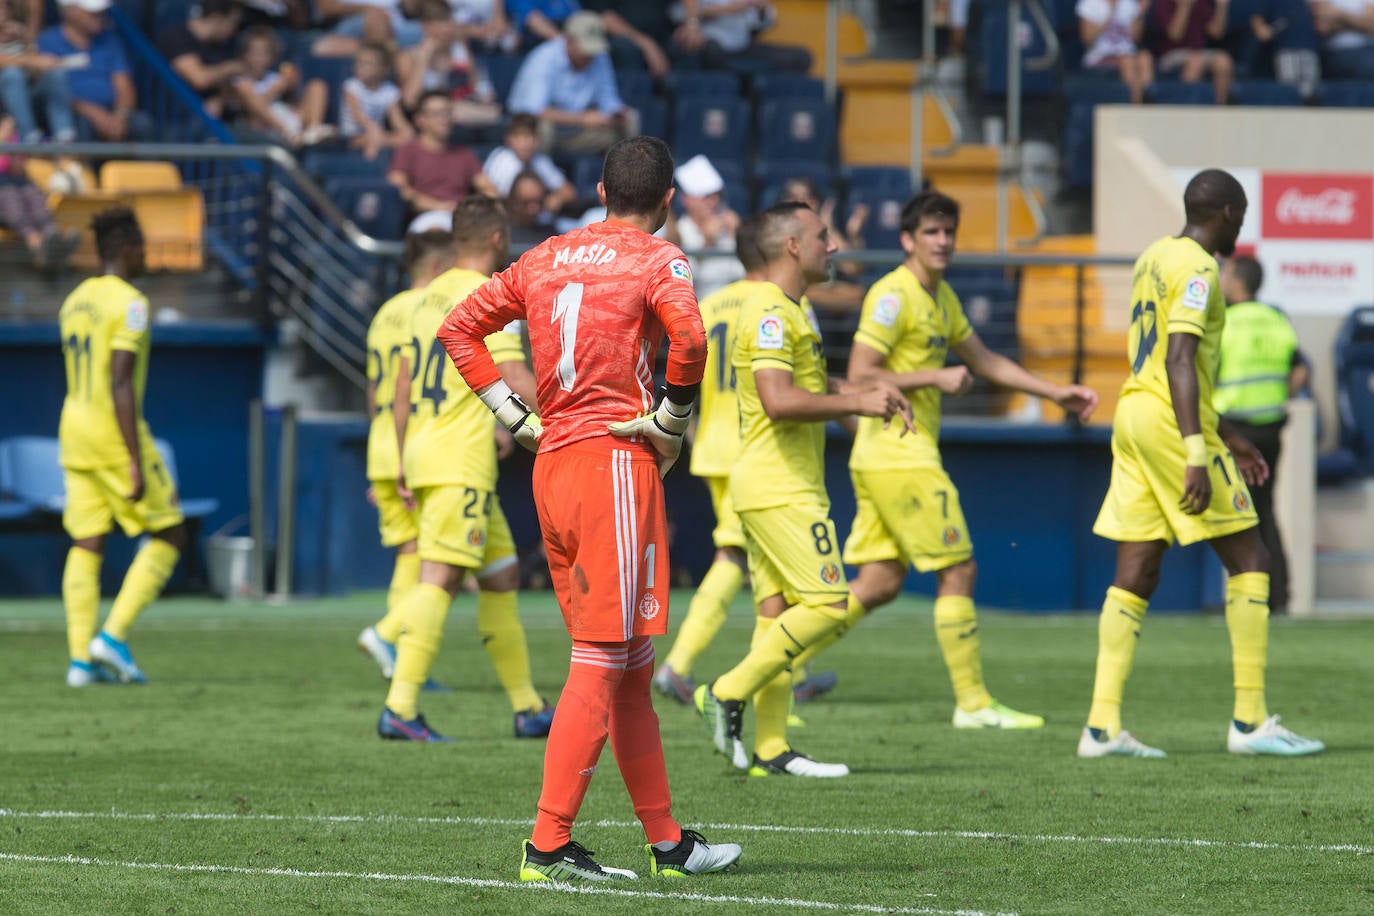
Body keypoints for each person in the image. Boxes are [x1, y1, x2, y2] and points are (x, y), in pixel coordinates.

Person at [438, 136, 741, 881]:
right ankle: (547, 844)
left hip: (553, 466)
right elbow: (692, 340)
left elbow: (459, 329)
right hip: (613, 464)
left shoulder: (544, 256)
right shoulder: (658, 259)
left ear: (601, 192)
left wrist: (514, 415)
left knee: (630, 665)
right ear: (668, 203)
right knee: (604, 661)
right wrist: (670, 422)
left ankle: (669, 842)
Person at [822, 191, 1098, 730]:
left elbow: (986, 359)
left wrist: (1053, 392)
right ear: (907, 240)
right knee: (959, 568)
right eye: (931, 232)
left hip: (885, 454)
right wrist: (934, 376)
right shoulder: (893, 295)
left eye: (949, 232)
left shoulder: (940, 296)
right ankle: (972, 703)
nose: (943, 241)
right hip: (900, 452)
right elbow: (860, 372)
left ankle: (781, 669)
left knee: (878, 582)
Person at [1080, 168, 1323, 759]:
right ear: (1229, 213)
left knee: (1137, 568)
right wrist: (1197, 450)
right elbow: (1181, 359)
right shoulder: (1198, 268)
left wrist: (1229, 436)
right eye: (1242, 216)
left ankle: (1101, 728)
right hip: (1170, 421)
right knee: (1250, 555)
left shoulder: (1153, 256)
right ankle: (1249, 722)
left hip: (1134, 414)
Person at [694, 202, 914, 778]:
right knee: (827, 604)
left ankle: (771, 748)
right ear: (792, 244)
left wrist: (869, 395)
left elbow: (810, 386)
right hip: (779, 484)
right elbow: (778, 399)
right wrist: (857, 401)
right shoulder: (769, 309)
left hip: (776, 479)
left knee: (776, 613)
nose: (834, 245)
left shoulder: (796, 307)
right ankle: (724, 689)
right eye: (823, 236)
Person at [375, 196, 555, 741]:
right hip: (460, 460)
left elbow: (402, 388)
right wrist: (570, 418)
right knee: (441, 577)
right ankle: (400, 708)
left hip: (427, 451)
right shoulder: (486, 295)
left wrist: (404, 460)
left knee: (500, 575)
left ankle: (527, 708)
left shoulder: (424, 296)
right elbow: (516, 376)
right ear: (499, 240)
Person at [652, 213, 834, 708]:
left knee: (753, 562)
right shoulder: (779, 304)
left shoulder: (710, 303)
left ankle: (782, 674)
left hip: (711, 441)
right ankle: (682, 665)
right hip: (760, 446)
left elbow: (681, 369)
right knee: (737, 557)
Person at [57, 207, 188, 687]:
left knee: (86, 540)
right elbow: (119, 382)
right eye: (143, 245)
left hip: (73, 429)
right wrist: (134, 457)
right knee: (170, 534)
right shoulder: (131, 302)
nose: (147, 254)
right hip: (113, 434)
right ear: (128, 247)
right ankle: (112, 636)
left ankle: (79, 661)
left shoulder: (74, 300)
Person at [357, 228, 451, 693]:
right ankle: (394, 641)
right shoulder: (428, 309)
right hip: (417, 441)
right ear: (436, 268)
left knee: (408, 553)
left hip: (381, 440)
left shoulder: (383, 314)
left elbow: (375, 388)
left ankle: (397, 653)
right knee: (427, 558)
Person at [1215, 255, 1306, 615]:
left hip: (1234, 430)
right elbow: (1299, 370)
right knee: (1264, 510)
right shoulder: (1275, 319)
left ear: (1238, 280)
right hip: (1270, 427)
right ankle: (1279, 595)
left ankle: (1247, 595)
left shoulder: (1225, 322)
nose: (1221, 279)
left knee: (1238, 513)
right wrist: (1280, 396)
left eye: (1226, 273)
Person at [506, 12, 639, 155]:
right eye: (586, 49)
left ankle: (623, 176)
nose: (590, 55)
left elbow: (608, 99)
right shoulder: (544, 58)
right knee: (543, 128)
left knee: (630, 121)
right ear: (569, 40)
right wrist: (582, 119)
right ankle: (536, 175)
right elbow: (536, 111)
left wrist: (616, 113)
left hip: (576, 131)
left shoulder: (599, 56)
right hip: (528, 129)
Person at [38, 0, 152, 141]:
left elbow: (124, 86)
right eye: (92, 12)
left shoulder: (110, 41)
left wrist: (120, 117)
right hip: (75, 115)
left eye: (101, 11)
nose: (100, 15)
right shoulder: (46, 42)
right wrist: (94, 114)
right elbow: (50, 91)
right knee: (81, 124)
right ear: (70, 11)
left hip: (111, 114)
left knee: (141, 124)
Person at [387, 89, 495, 231]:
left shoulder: (464, 154)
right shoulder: (408, 151)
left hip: (462, 218)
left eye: (447, 112)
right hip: (426, 218)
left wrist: (480, 207)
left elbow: (487, 187)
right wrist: (441, 207)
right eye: (436, 114)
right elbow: (399, 189)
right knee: (437, 231)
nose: (443, 119)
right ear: (420, 120)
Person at [231, 26, 334, 147]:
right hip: (264, 126)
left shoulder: (275, 77)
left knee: (317, 85)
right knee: (247, 92)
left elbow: (292, 99)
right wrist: (274, 90)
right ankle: (289, 134)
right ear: (245, 55)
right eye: (255, 53)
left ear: (271, 57)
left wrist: (292, 82)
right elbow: (253, 110)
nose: (258, 58)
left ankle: (314, 128)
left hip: (286, 116)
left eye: (264, 53)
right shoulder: (240, 82)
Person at [665, 154, 744, 301]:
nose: (713, 202)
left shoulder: (726, 229)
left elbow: (742, 276)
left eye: (716, 196)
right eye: (706, 196)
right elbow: (678, 284)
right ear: (686, 200)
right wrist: (706, 245)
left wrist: (737, 237)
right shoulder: (679, 232)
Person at [0, 0, 77, 143]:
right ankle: (29, 139)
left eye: (3, 7)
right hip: (4, 104)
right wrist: (31, 61)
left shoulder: (18, 35)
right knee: (12, 75)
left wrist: (26, 39)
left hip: (25, 96)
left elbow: (33, 71)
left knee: (55, 75)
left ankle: (65, 137)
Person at [156, 0, 243, 118]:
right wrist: (230, 68)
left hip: (210, 118)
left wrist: (219, 100)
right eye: (232, 23)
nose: (234, 30)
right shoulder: (176, 38)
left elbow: (231, 87)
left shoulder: (219, 46)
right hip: (174, 118)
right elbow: (199, 79)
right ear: (217, 18)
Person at [672, 0, 812, 72]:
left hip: (742, 44)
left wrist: (761, 9)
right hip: (711, 43)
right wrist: (725, 10)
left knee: (802, 57)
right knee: (711, 52)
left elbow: (766, 23)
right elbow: (677, 14)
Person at [482, 113, 576, 214]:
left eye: (530, 136)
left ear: (537, 139)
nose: (525, 143)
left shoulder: (541, 161)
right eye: (519, 136)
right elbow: (488, 194)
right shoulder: (501, 159)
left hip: (537, 219)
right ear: (508, 139)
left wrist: (557, 198)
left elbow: (569, 192)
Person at [1148, 0, 1234, 103]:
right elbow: (1175, 35)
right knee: (1195, 62)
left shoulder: (1200, 3)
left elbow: (1216, 33)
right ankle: (1187, 109)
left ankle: (1220, 109)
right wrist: (1185, 7)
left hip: (1198, 53)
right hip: (1169, 55)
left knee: (1223, 61)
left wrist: (1221, 7)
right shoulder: (1163, 3)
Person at [340, 42, 411, 161]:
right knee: (373, 138)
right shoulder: (351, 86)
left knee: (407, 138)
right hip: (351, 136)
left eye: (367, 63)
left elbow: (398, 120)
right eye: (358, 62)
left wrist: (407, 132)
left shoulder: (390, 91)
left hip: (378, 135)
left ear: (384, 69)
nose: (359, 67)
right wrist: (374, 130)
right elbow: (359, 117)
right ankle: (370, 168)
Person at [1076, 0, 1154, 104]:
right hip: (1100, 56)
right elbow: (1087, 39)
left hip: (1128, 53)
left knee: (1145, 57)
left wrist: (1140, 13)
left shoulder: (1128, 3)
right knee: (1126, 61)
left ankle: (1151, 103)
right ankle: (1137, 105)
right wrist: (1110, 14)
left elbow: (1136, 38)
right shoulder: (1089, 3)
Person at [1311, 0, 1374, 78]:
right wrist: (1359, 21)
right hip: (1337, 52)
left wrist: (1340, 16)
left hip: (1369, 49)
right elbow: (1322, 27)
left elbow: (1372, 25)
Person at [506, 170, 558, 250]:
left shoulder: (550, 236)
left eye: (538, 202)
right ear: (513, 201)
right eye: (526, 203)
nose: (533, 209)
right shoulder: (503, 236)